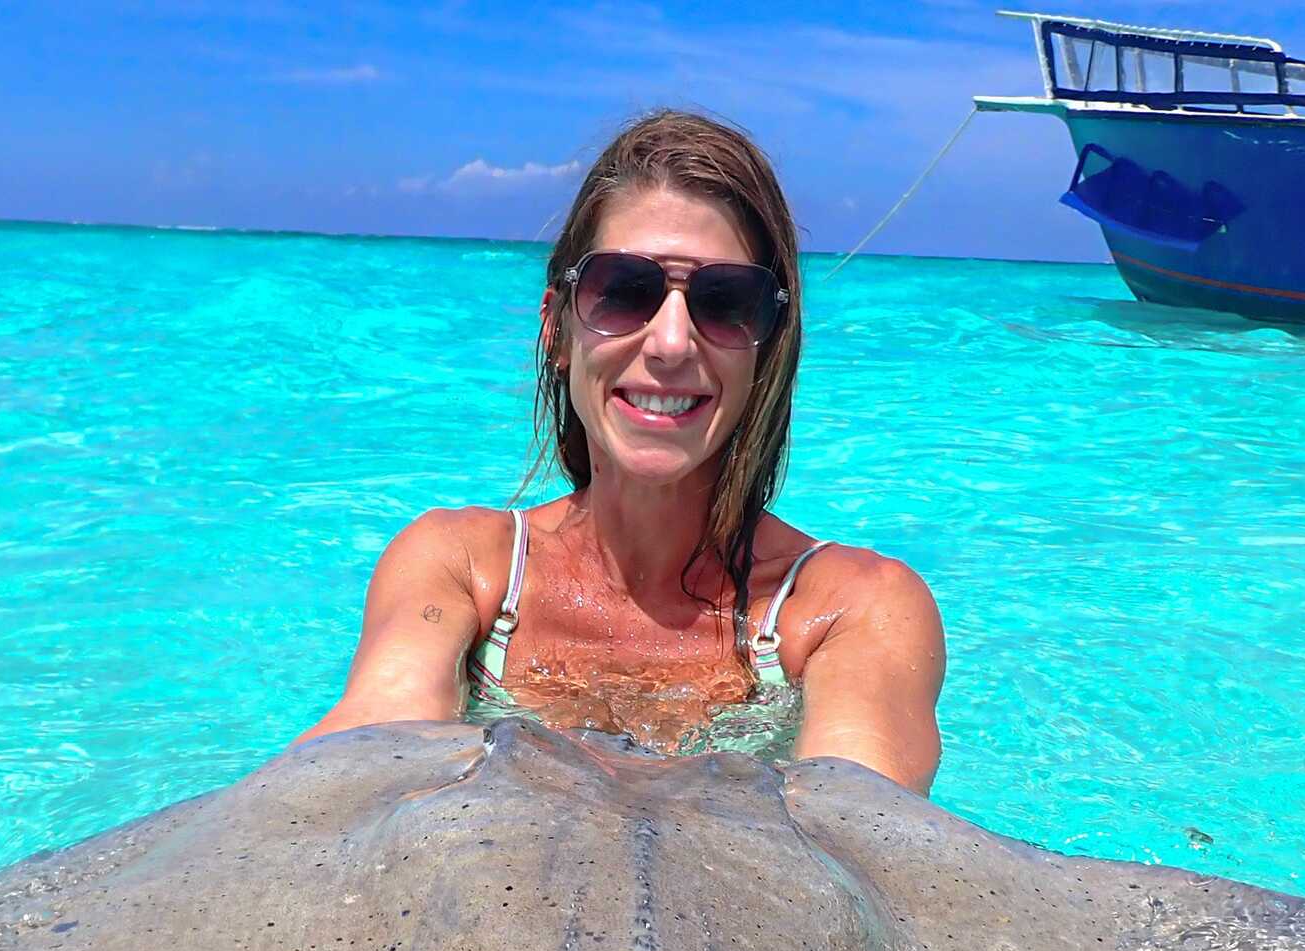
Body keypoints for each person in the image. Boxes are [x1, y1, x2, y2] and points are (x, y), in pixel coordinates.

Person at [297, 110, 945, 793]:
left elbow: (866, 828)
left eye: (726, 302)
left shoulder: (852, 609)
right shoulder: (462, 569)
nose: (671, 343)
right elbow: (365, 753)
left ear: (767, 348)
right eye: (624, 292)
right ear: (558, 330)